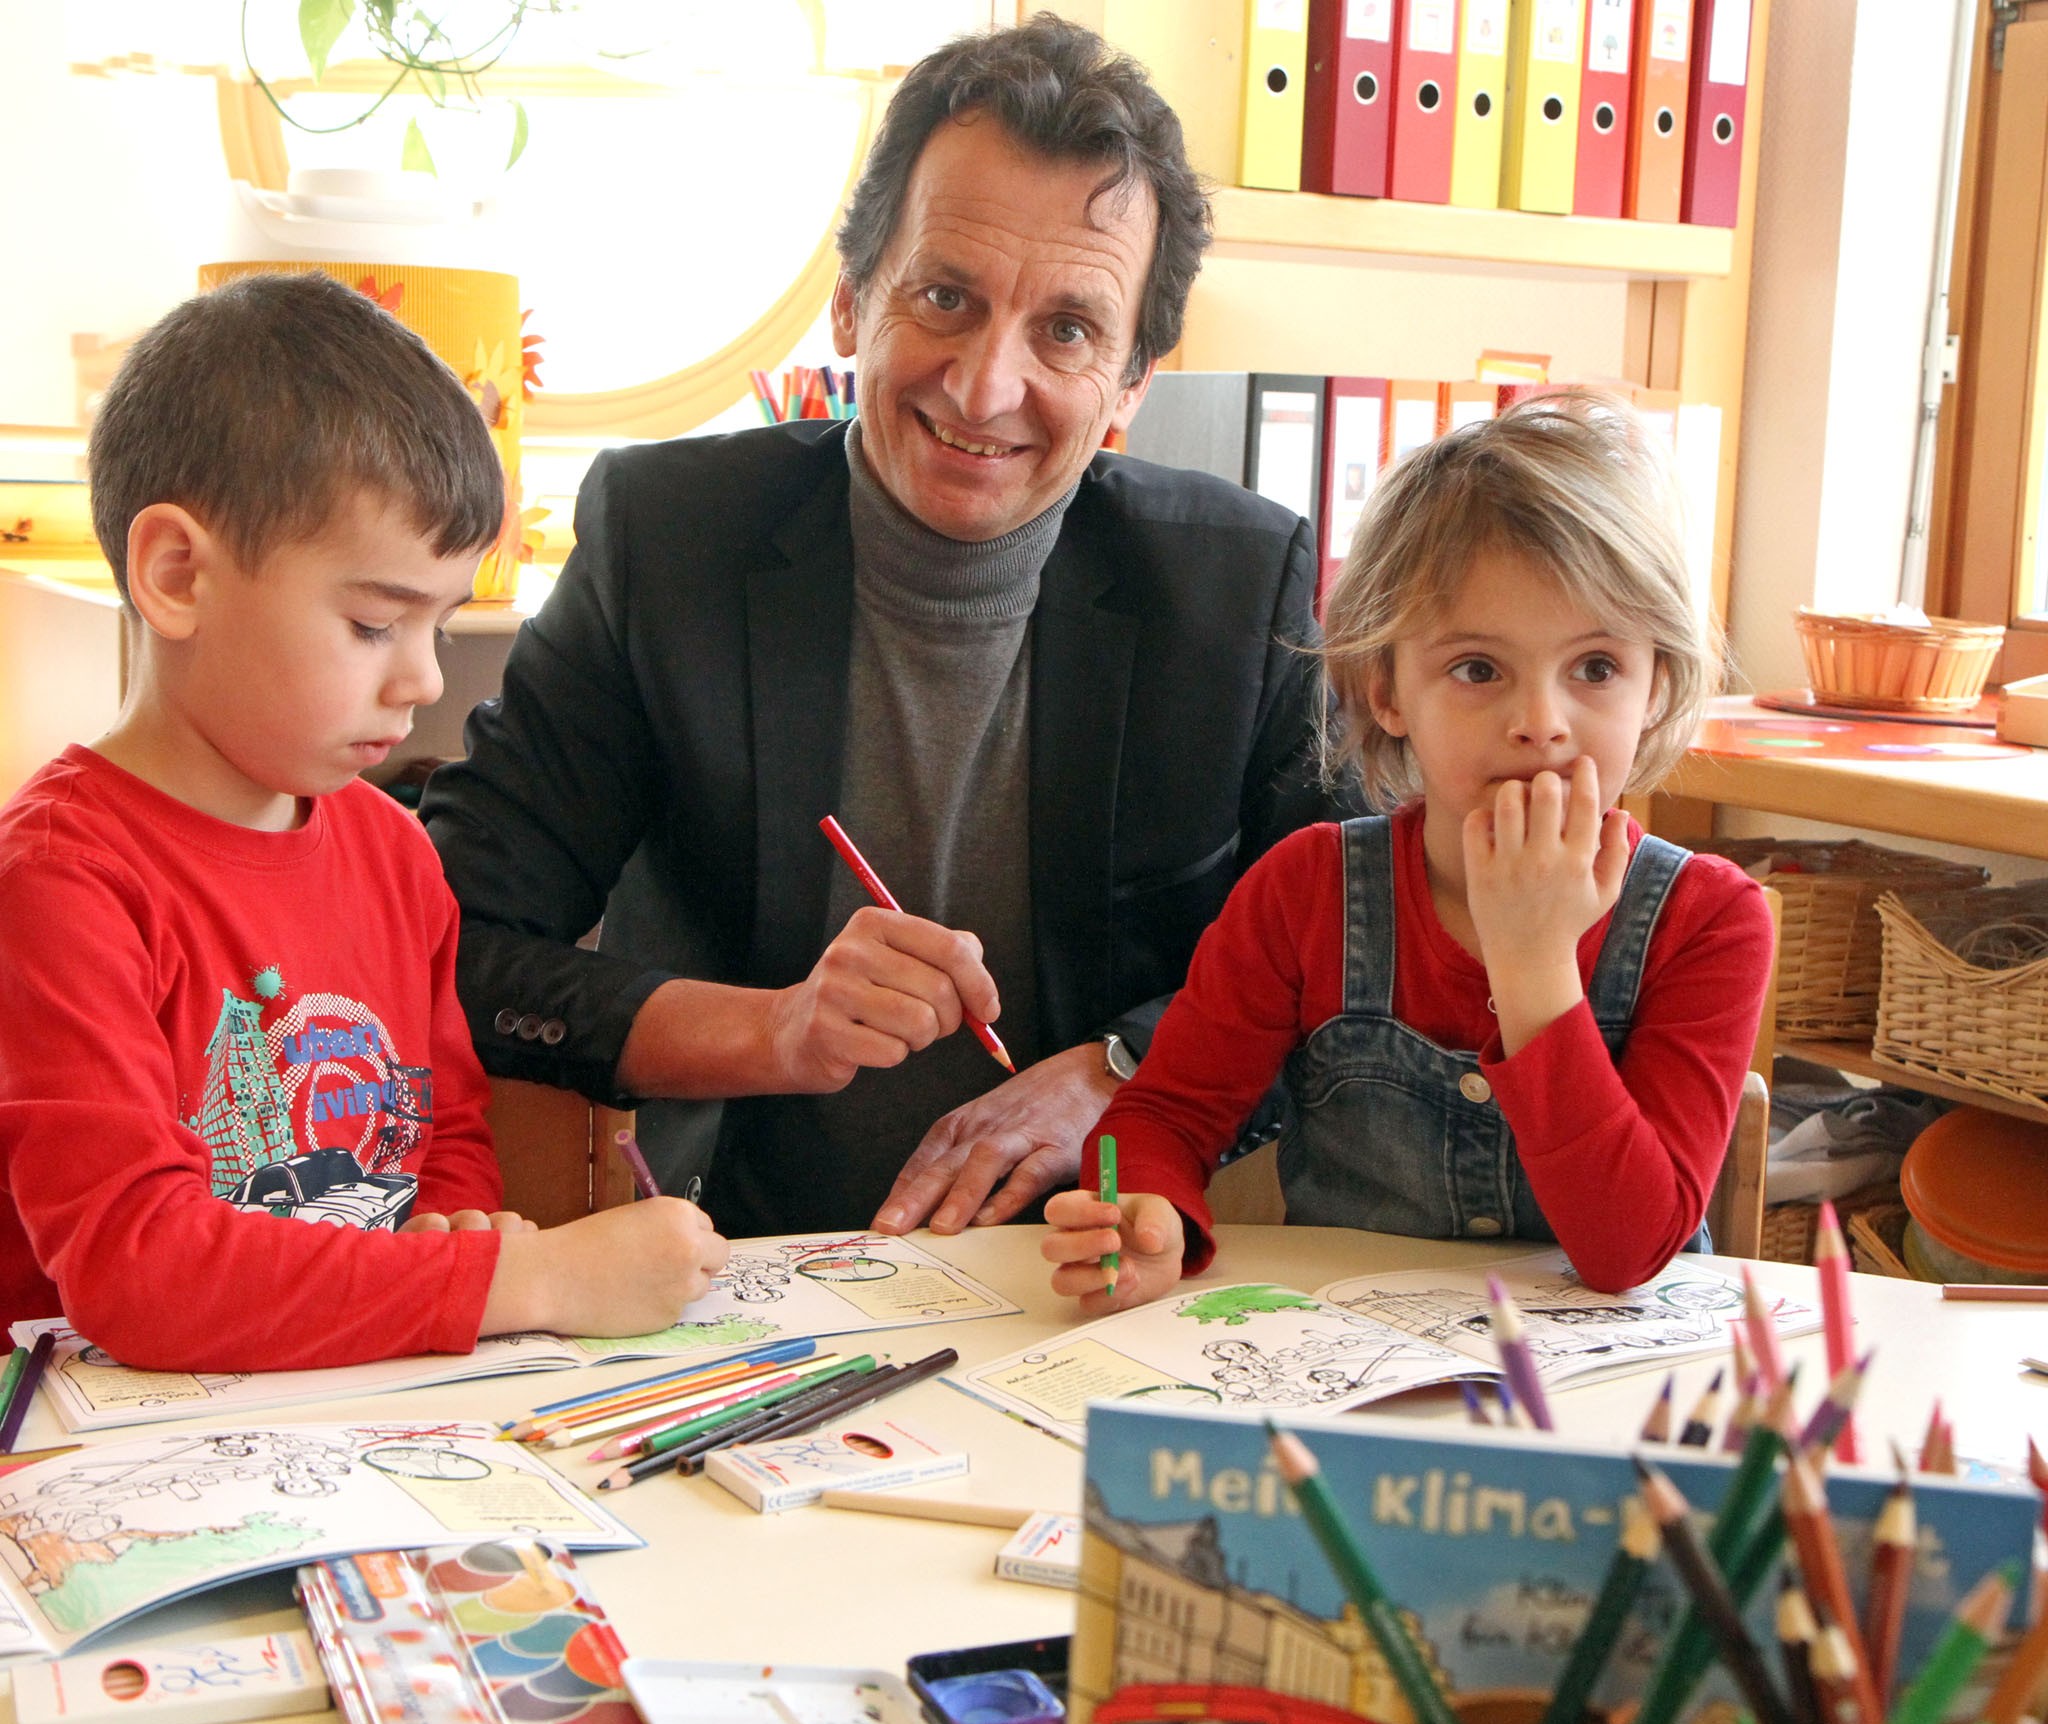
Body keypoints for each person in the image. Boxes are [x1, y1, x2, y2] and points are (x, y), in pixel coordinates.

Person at [421, 15, 1346, 1241]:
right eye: (945, 297)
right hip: (737, 1259)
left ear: (1131, 380)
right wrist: (770, 1029)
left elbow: (1354, 968)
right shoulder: (667, 539)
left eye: (1065, 330)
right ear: (853, 303)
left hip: (1099, 1271)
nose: (983, 387)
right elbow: (452, 939)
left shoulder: (1236, 589)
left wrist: (1125, 1074)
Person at [0, 273, 728, 1373]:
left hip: (346, 1403)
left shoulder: (393, 854)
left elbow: (437, 1141)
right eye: (373, 623)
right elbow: (138, 1271)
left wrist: (455, 1233)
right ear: (176, 574)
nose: (423, 681)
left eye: (436, 624)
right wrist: (528, 1276)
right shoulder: (61, 882)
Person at [1041, 393, 1774, 1305]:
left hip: (1606, 1407)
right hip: (1351, 1380)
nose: (1541, 724)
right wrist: (1145, 1209)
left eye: (1596, 668)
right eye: (1478, 670)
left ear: (1657, 685)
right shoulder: (1307, 891)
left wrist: (1534, 963)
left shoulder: (1709, 920)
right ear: (1387, 689)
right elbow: (1165, 1113)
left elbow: (1629, 1250)